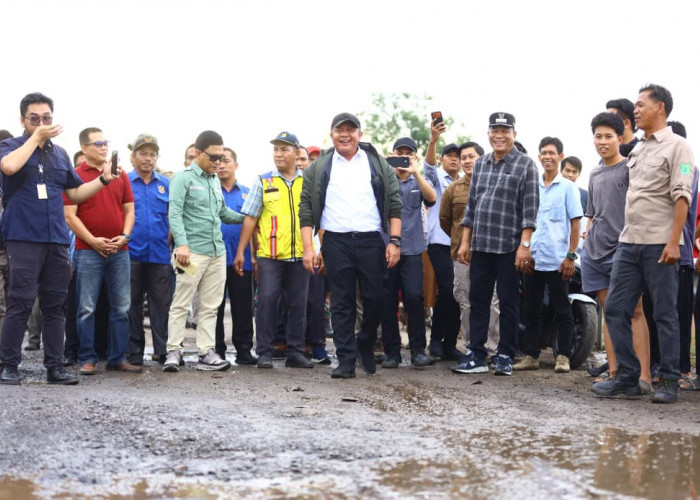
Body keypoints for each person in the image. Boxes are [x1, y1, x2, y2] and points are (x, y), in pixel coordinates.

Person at [0, 92, 121, 385]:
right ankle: (9, 365)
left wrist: (103, 180)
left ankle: (54, 367)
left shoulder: (60, 154)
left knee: (55, 305)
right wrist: (35, 138)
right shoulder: (11, 146)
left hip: (55, 239)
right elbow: (9, 167)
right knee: (20, 302)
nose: (42, 123)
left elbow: (74, 193)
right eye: (35, 118)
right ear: (23, 120)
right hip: (23, 237)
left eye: (47, 118)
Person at [592, 84, 694, 404]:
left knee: (664, 314)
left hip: (659, 243)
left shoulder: (679, 147)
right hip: (629, 242)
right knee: (615, 309)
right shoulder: (637, 149)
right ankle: (628, 376)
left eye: (640, 105)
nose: (634, 110)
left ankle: (669, 380)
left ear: (660, 107)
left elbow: (682, 196)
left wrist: (675, 242)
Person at [299, 112, 402, 379]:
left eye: (350, 129)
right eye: (339, 130)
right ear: (331, 134)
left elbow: (394, 202)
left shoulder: (376, 162)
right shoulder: (319, 166)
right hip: (335, 241)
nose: (345, 134)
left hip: (371, 240)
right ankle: (345, 359)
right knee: (341, 302)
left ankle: (364, 342)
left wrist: (394, 241)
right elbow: (306, 208)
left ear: (360, 134)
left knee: (376, 298)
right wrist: (309, 248)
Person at [453, 112, 539, 376]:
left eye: (505, 131)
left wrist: (524, 245)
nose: (499, 135)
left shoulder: (526, 165)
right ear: (489, 133)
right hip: (481, 245)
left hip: (509, 247)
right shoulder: (481, 164)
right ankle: (477, 355)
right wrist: (465, 242)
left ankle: (505, 355)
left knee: (508, 303)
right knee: (478, 301)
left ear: (514, 134)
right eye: (495, 130)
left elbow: (530, 210)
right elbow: (472, 206)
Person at [164, 131, 244, 372]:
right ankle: (174, 351)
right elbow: (174, 213)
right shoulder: (183, 178)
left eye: (222, 157)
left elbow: (223, 213)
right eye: (213, 157)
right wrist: (182, 245)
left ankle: (206, 352)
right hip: (191, 253)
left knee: (210, 306)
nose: (218, 162)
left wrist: (249, 217)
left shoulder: (214, 180)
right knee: (181, 303)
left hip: (216, 252)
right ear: (198, 153)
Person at [64, 127, 139, 375]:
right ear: (84, 148)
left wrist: (124, 236)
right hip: (87, 250)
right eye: (97, 144)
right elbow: (69, 216)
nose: (104, 147)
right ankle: (87, 358)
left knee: (122, 307)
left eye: (105, 142)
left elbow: (129, 210)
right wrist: (93, 241)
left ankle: (118, 358)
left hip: (120, 250)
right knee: (86, 308)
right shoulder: (75, 176)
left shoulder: (120, 174)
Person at [235, 132, 312, 369]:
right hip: (270, 254)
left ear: (297, 154)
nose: (278, 154)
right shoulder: (264, 181)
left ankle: (295, 352)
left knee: (298, 304)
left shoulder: (308, 182)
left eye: (284, 149)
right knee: (267, 301)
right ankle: (264, 352)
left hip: (300, 254)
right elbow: (250, 218)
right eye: (276, 149)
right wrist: (241, 252)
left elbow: (318, 216)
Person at [513, 137, 582, 373]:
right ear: (539, 156)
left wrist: (571, 256)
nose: (547, 157)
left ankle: (563, 356)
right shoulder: (532, 186)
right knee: (532, 309)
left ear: (560, 156)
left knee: (562, 309)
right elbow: (525, 221)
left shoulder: (568, 188)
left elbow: (575, 223)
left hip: (558, 260)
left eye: (552, 153)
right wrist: (525, 249)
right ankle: (531, 355)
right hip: (534, 259)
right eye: (544, 153)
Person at [439, 141, 500, 354]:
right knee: (465, 301)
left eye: (471, 157)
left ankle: (492, 349)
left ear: (482, 158)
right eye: (463, 158)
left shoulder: (494, 185)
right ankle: (470, 348)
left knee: (492, 303)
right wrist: (460, 241)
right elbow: (446, 221)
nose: (466, 161)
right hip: (462, 257)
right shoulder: (452, 190)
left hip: (490, 253)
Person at [380, 137, 436, 368]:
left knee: (414, 297)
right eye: (399, 153)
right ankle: (391, 352)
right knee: (388, 301)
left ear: (414, 156)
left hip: (412, 249)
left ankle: (418, 350)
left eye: (408, 153)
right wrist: (383, 166)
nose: (403, 157)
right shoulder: (384, 180)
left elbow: (431, 198)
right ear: (392, 154)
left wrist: (416, 172)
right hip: (386, 249)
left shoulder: (418, 180)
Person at [125, 134, 173, 366]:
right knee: (131, 305)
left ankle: (162, 350)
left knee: (161, 305)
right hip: (131, 253)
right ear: (133, 157)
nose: (148, 159)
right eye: (143, 154)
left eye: (152, 154)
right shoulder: (123, 181)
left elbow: (174, 217)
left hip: (160, 255)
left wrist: (168, 239)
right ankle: (134, 351)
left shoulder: (166, 184)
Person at [424, 121, 462, 361]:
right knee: (447, 288)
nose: (455, 159)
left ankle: (450, 343)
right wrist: (433, 140)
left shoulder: (467, 181)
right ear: (443, 159)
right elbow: (428, 166)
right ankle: (436, 340)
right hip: (439, 242)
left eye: (458, 156)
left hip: (462, 245)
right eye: (450, 156)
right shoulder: (437, 177)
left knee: (458, 292)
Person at [215, 147, 257, 365]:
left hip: (242, 260)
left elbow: (255, 227)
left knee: (243, 307)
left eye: (226, 161)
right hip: (214, 258)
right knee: (215, 307)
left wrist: (255, 257)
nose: (221, 165)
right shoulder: (210, 191)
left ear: (236, 165)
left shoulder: (248, 193)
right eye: (218, 161)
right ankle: (216, 350)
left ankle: (244, 350)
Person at [295, 146, 331, 364]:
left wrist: (322, 250)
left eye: (306, 159)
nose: (302, 163)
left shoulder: (322, 187)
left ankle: (318, 346)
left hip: (316, 252)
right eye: (301, 158)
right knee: (295, 304)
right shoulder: (286, 184)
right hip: (291, 253)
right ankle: (297, 347)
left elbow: (325, 221)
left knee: (316, 303)